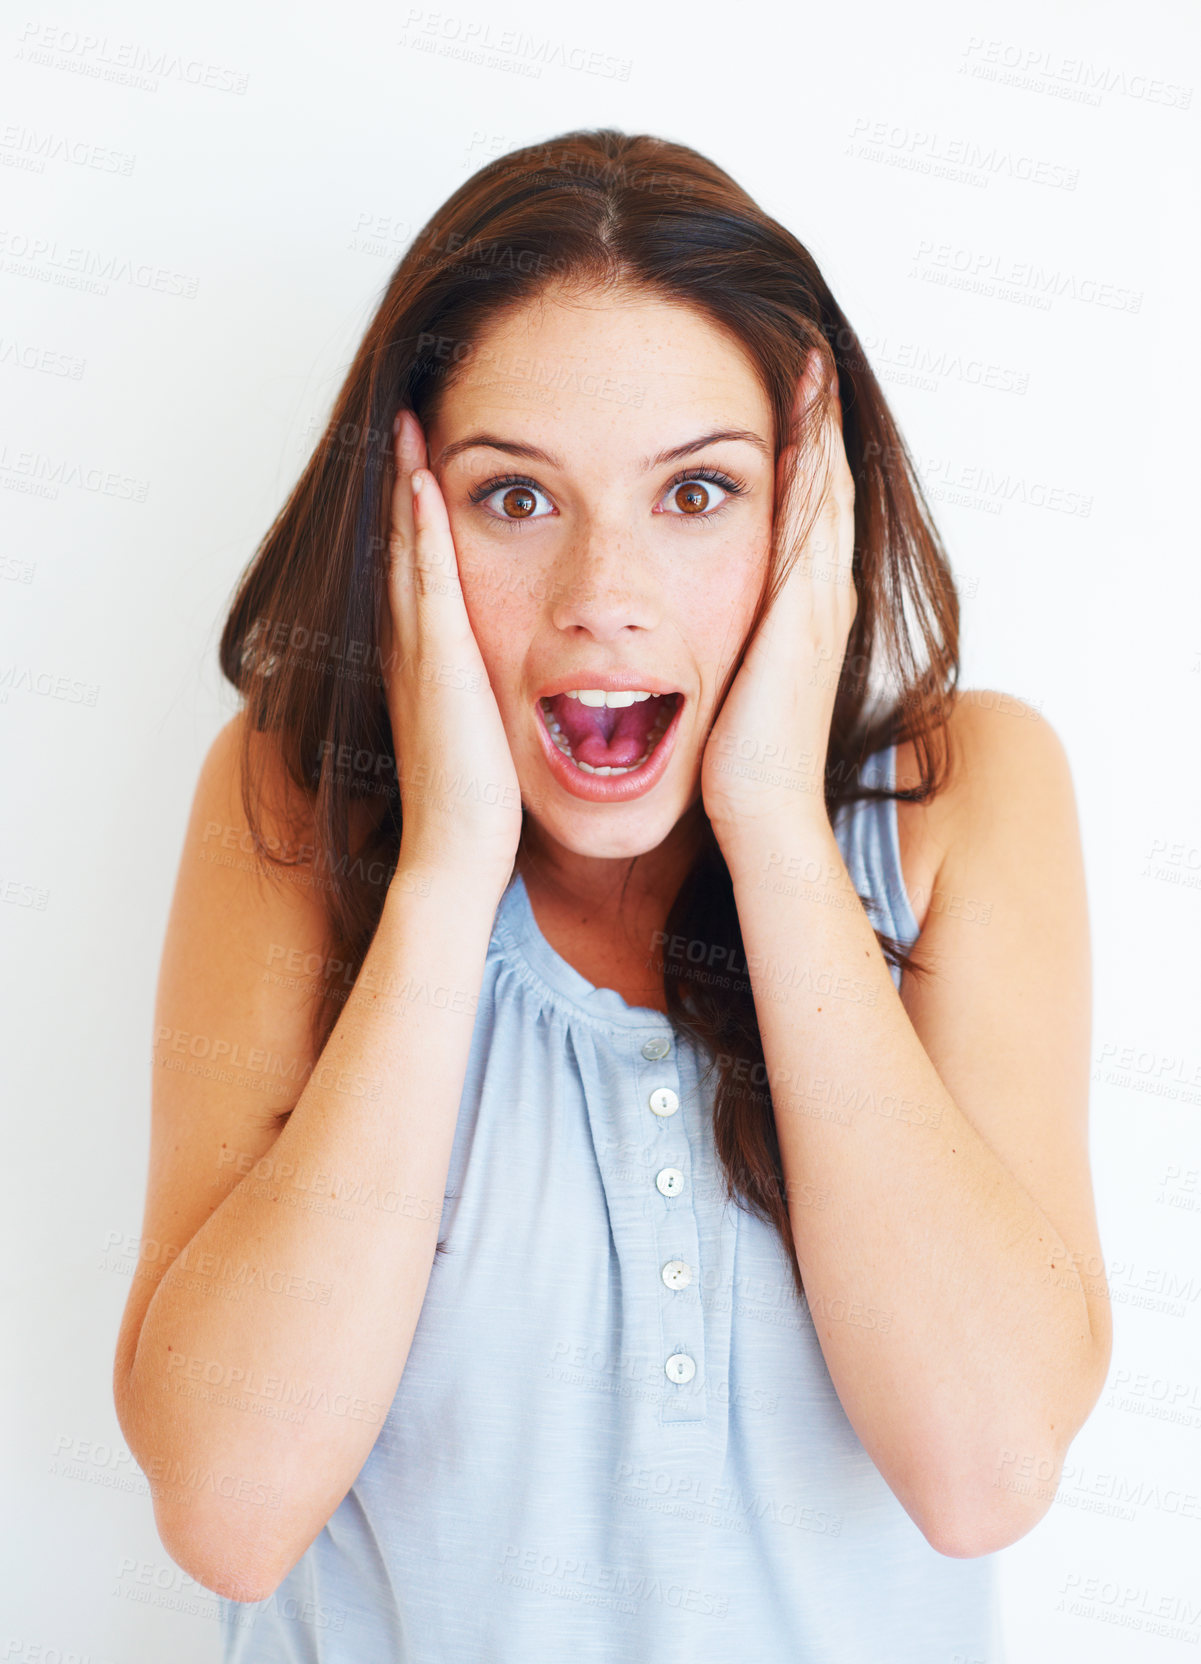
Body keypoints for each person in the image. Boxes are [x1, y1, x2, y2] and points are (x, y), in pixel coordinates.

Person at [112, 128, 1111, 1662]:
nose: (603, 594)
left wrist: (774, 823)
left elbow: (982, 1473)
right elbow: (231, 1509)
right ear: (406, 519)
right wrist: (445, 870)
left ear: (806, 511)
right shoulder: (287, 810)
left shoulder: (961, 799)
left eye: (696, 493)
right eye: (516, 500)